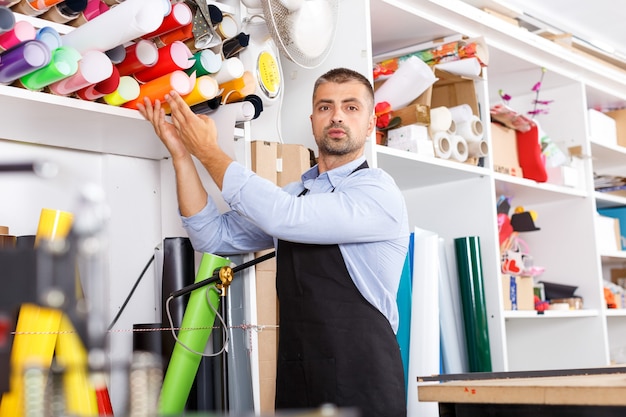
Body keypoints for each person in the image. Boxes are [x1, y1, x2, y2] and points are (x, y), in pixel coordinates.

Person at [138, 67, 409, 417]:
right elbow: (213, 236)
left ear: (371, 123)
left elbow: (286, 217)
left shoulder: (376, 192)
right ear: (313, 120)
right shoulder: (299, 194)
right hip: (299, 374)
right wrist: (182, 155)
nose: (337, 115)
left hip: (363, 380)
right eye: (325, 107)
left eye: (351, 107)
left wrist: (209, 152)